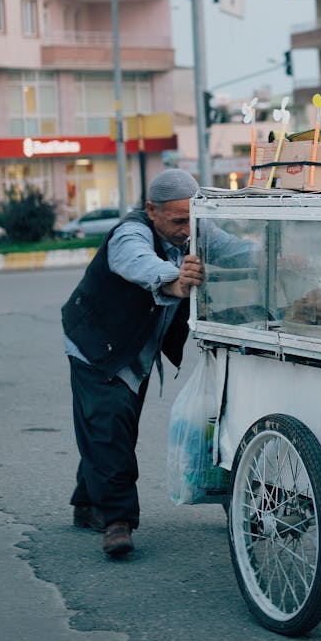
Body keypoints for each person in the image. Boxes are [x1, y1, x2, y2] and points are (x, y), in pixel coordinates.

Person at [61, 168, 254, 559]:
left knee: (111, 428)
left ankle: (87, 504)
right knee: (110, 424)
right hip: (97, 344)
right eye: (179, 220)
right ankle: (117, 521)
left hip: (136, 348)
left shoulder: (194, 230)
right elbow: (138, 263)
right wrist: (175, 281)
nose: (188, 229)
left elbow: (237, 250)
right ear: (151, 209)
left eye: (193, 219)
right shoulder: (129, 234)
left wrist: (281, 255)